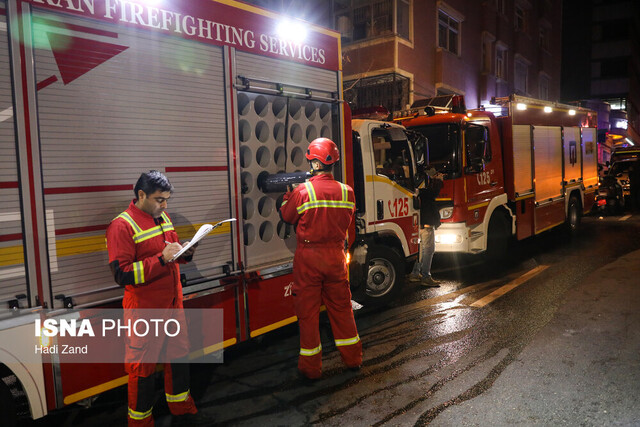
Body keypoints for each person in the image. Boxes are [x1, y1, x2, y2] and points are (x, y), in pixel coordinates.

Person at [106, 170, 205, 426]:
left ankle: (181, 408)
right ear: (141, 195)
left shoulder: (162, 217)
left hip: (173, 303)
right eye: (160, 199)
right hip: (144, 310)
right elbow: (122, 274)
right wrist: (161, 259)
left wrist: (186, 250)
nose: (165, 205)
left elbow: (171, 253)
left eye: (167, 199)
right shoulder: (122, 225)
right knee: (143, 370)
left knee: (179, 356)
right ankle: (140, 422)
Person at [279, 138, 363, 380]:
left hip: (309, 257)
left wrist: (287, 198)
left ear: (315, 162)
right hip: (336, 256)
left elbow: (287, 216)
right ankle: (353, 360)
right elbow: (347, 221)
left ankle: (311, 369)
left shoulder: (303, 191)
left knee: (308, 314)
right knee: (342, 309)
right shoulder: (348, 191)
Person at [408, 167, 444, 287]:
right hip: (427, 222)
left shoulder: (415, 189)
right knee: (429, 250)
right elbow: (433, 193)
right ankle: (426, 276)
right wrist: (438, 180)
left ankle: (414, 273)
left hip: (420, 222)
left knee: (421, 251)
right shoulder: (424, 191)